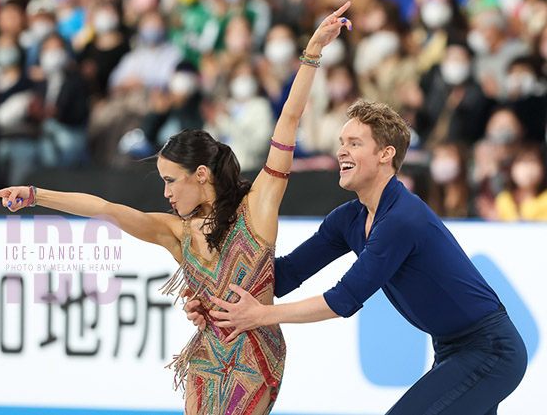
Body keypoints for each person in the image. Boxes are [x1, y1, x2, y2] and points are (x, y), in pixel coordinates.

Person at [0, 2, 353, 415]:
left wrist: (312, 52)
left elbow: (289, 120)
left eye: (171, 181)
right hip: (207, 353)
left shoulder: (257, 209)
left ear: (202, 174)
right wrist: (34, 195)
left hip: (255, 355)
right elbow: (105, 208)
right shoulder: (176, 233)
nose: (166, 194)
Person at [189, 99, 528, 415]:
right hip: (453, 350)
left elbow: (343, 299)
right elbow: (286, 274)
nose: (341, 151)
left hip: (490, 350)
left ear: (386, 154)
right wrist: (212, 295)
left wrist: (261, 315)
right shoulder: (348, 218)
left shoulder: (401, 219)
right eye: (341, 141)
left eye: (354, 143)